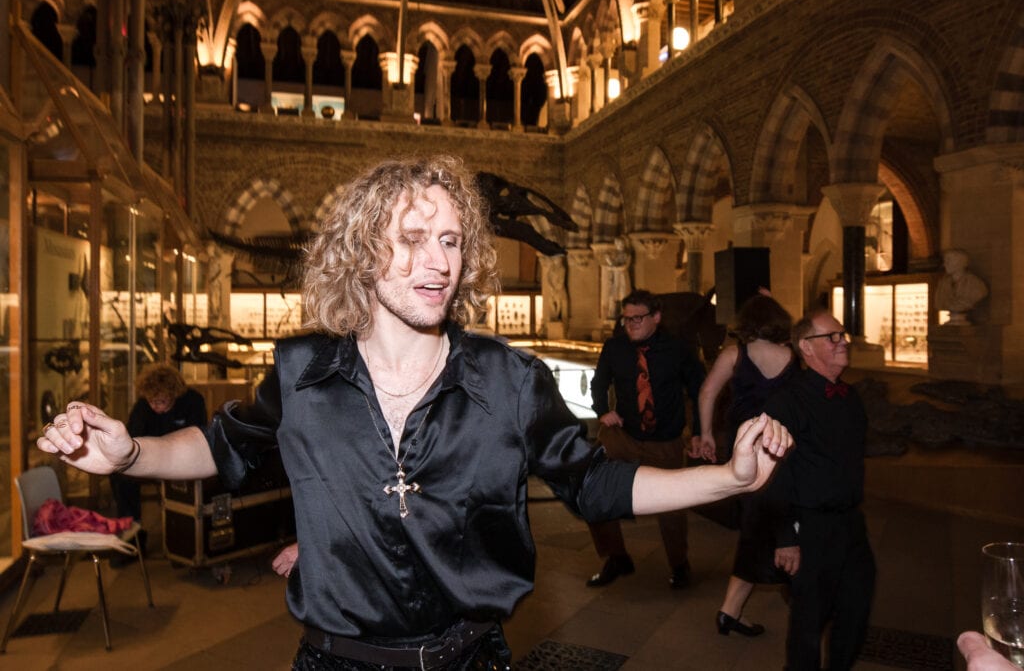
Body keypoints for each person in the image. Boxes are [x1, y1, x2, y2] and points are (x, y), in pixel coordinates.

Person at [37, 155, 793, 670]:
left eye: (452, 240)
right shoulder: (303, 371)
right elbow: (220, 448)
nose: (438, 261)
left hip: (472, 655)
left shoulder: (507, 379)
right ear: (364, 251)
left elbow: (597, 482)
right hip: (335, 659)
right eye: (410, 239)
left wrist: (728, 476)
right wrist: (131, 453)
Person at [764, 310, 876, 671]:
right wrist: (785, 537)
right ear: (805, 348)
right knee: (808, 626)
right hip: (808, 528)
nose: (843, 341)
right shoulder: (786, 402)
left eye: (842, 335)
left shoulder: (850, 397)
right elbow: (774, 474)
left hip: (850, 525)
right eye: (832, 336)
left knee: (855, 612)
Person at [585, 288, 706, 589]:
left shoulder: (677, 348)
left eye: (638, 318)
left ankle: (679, 565)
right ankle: (616, 557)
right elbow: (599, 384)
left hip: (664, 441)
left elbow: (699, 389)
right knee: (594, 489)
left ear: (656, 317)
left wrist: (701, 432)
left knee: (671, 508)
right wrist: (603, 411)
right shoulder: (615, 348)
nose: (631, 325)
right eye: (626, 319)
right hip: (624, 436)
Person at [694, 294, 797, 637]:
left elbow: (707, 392)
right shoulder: (793, 358)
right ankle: (800, 600)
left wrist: (706, 434)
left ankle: (731, 611)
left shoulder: (734, 354)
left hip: (744, 451)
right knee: (775, 527)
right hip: (782, 452)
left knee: (759, 527)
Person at [115, 363, 207, 553]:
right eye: (151, 401)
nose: (155, 406)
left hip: (183, 462)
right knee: (119, 477)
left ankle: (188, 540)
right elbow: (133, 438)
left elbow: (199, 438)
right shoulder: (143, 405)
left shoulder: (193, 400)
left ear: (174, 394)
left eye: (160, 401)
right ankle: (132, 536)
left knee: (198, 482)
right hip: (151, 461)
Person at [935, 248, 987, 324]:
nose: (945, 264)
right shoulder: (942, 284)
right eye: (945, 261)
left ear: (960, 263)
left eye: (949, 260)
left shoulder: (975, 284)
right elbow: (939, 302)